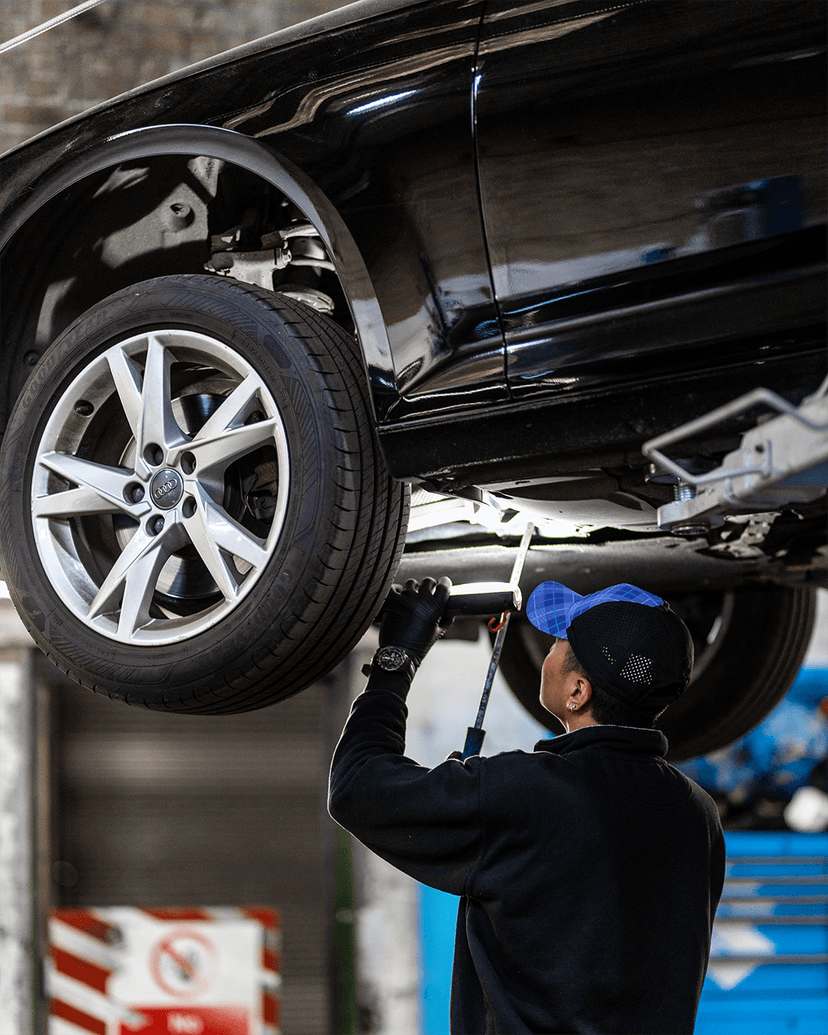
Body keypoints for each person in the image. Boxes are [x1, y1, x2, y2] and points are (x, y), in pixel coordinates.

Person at [328, 576, 726, 1035]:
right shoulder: (697, 815)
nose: (547, 652)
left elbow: (358, 785)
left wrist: (396, 660)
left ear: (578, 691)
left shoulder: (529, 792)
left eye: (557, 642)